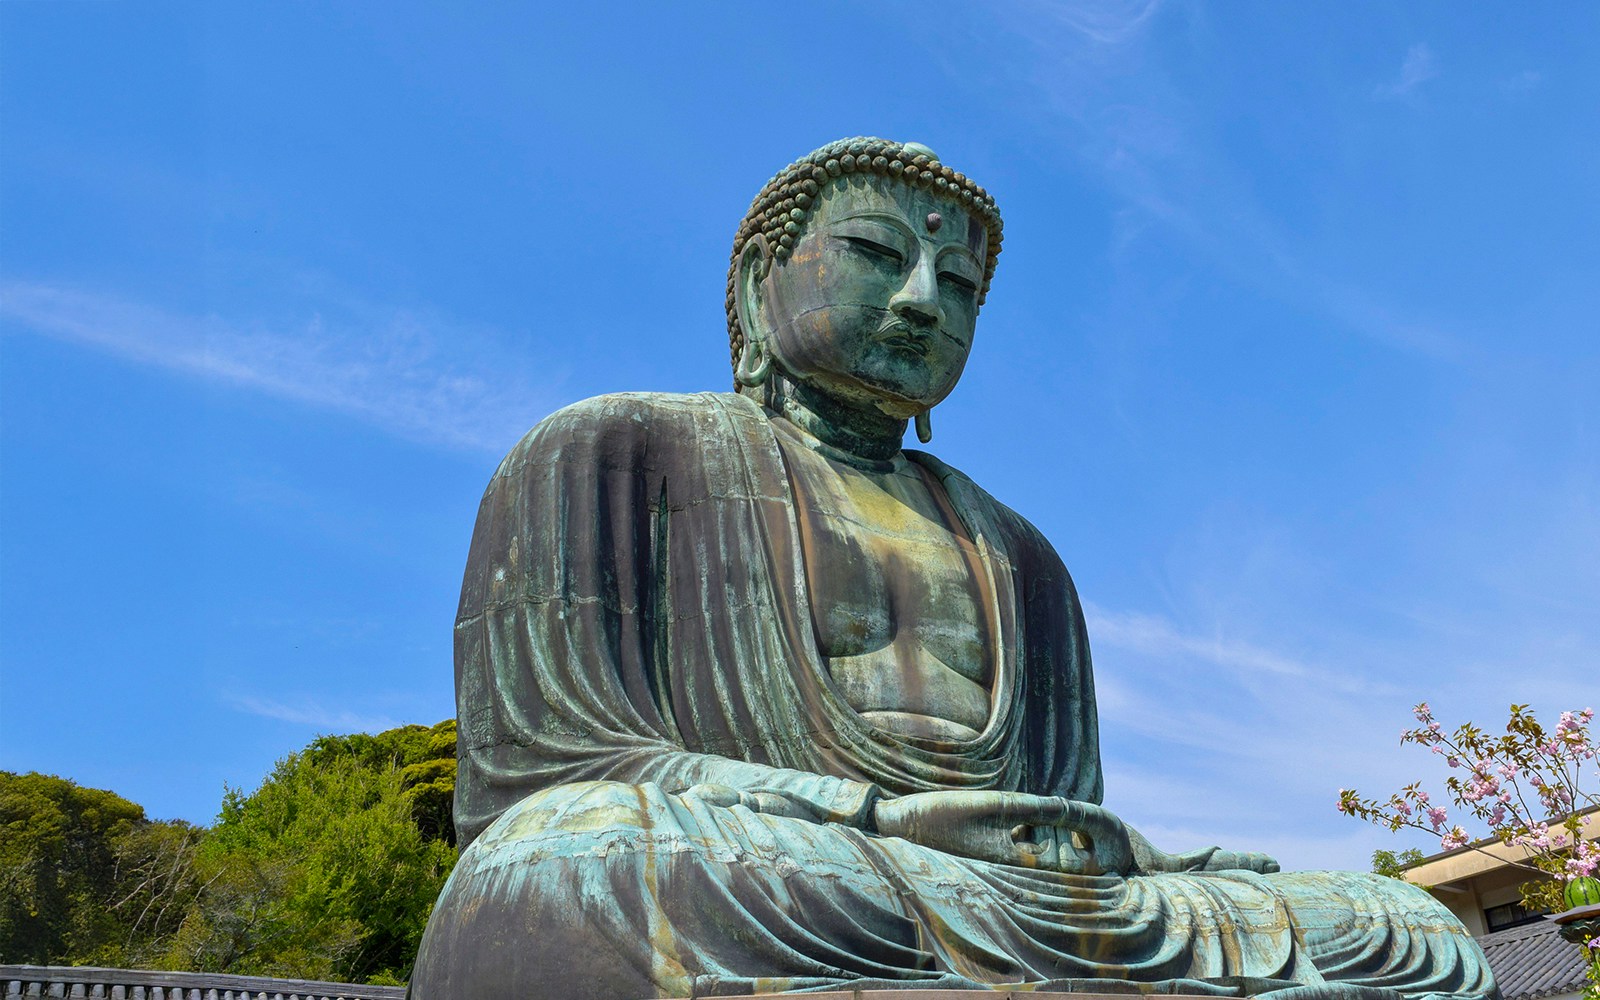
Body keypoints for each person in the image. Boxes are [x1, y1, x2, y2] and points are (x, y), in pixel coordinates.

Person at [409, 138, 1494, 1000]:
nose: (925, 299)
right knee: (565, 863)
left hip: (998, 899)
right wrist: (878, 820)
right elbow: (543, 782)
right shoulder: (610, 451)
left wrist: (1122, 861)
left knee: (1407, 926)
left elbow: (1060, 825)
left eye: (961, 282)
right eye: (879, 255)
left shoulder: (1019, 552)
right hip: (788, 868)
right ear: (753, 285)